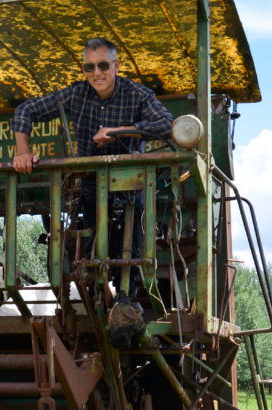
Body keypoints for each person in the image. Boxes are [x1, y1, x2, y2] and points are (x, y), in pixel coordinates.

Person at [11, 38, 173, 290]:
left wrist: (121, 131)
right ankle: (93, 282)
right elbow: (26, 110)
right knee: (94, 240)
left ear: (116, 66)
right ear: (84, 70)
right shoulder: (76, 93)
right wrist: (23, 151)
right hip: (91, 180)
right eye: (89, 68)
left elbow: (167, 125)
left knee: (135, 231)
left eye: (103, 66)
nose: (97, 73)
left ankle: (129, 287)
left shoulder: (138, 94)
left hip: (133, 179)